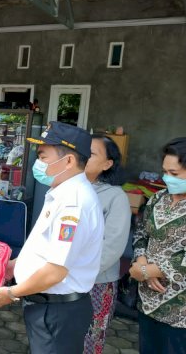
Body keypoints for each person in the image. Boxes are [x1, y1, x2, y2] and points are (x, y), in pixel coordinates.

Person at [0, 121, 104, 354]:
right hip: (47, 306)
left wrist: (11, 293)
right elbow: (46, 249)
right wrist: (13, 267)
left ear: (68, 161)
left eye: (43, 156)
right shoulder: (61, 193)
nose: (36, 163)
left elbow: (56, 270)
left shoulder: (74, 203)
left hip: (57, 311)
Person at [130, 137, 186, 353]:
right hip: (149, 302)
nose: (167, 179)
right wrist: (142, 261)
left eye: (174, 174)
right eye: (165, 172)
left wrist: (147, 270)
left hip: (180, 312)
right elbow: (141, 232)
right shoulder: (157, 199)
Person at [83, 135, 131, 354]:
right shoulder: (65, 188)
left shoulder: (115, 197)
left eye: (92, 153)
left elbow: (112, 247)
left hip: (96, 283)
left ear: (107, 164)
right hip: (60, 278)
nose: (84, 156)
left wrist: (77, 271)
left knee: (89, 340)